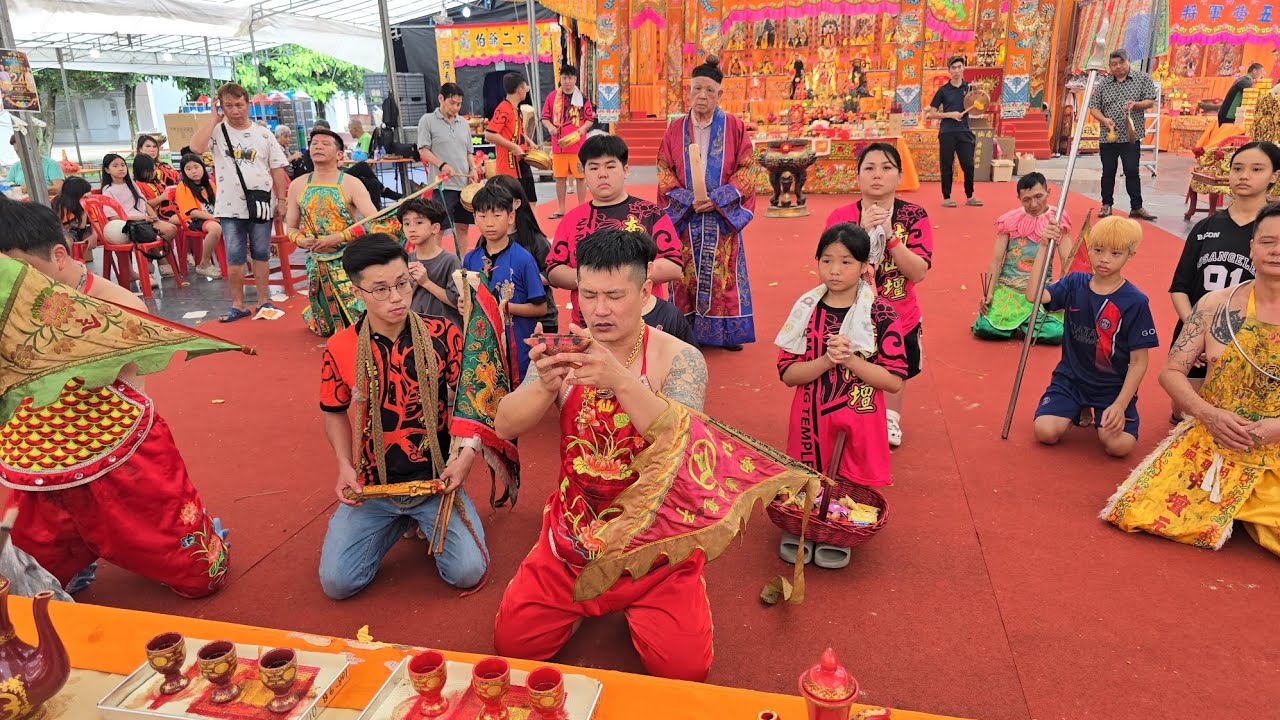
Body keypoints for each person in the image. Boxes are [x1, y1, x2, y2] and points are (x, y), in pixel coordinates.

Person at [492, 227, 712, 681]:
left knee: (685, 669)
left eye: (614, 295)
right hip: (575, 535)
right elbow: (504, 423)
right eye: (587, 295)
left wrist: (621, 380)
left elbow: (686, 444)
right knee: (513, 646)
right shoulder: (564, 350)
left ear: (645, 291)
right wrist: (545, 386)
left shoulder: (680, 358)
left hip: (656, 543)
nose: (599, 310)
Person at [0, 197, 231, 598]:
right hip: (37, 460)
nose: (12, 287)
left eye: (18, 273)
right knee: (20, 590)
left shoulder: (119, 306)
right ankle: (77, 551)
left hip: (116, 452)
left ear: (58, 256)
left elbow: (127, 388)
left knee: (200, 577)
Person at [1102, 204, 1280, 556]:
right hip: (1215, 436)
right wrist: (1208, 415)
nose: (1276, 251)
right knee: (1144, 513)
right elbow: (1170, 372)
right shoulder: (1215, 305)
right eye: (1268, 241)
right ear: (1252, 248)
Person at [317, 234, 488, 598]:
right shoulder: (340, 347)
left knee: (469, 572)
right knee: (338, 584)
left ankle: (420, 516)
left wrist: (466, 456)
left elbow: (472, 401)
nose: (396, 297)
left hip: (436, 480)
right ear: (357, 291)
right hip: (373, 485)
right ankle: (399, 521)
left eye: (402, 284)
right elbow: (333, 412)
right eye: (380, 289)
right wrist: (344, 465)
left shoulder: (442, 333)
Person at [778, 222, 907, 488]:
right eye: (826, 260)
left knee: (852, 497)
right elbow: (788, 374)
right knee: (806, 489)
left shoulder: (881, 313)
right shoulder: (806, 311)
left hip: (862, 418)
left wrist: (849, 359)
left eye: (846, 262)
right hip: (811, 420)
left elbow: (894, 381)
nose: (834, 270)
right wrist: (827, 360)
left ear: (864, 266)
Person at [825, 143, 933, 448]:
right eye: (869, 168)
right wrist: (858, 232)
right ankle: (846, 410)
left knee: (897, 365)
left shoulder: (914, 215)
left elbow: (919, 272)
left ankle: (890, 418)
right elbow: (832, 269)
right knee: (849, 360)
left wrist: (893, 237)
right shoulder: (840, 216)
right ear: (858, 176)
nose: (877, 175)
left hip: (899, 312)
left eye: (886, 168)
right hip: (849, 309)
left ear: (900, 175)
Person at [1025, 216, 1159, 458]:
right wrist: (1044, 247)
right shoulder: (1075, 282)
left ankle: (1102, 409)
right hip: (1071, 379)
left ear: (1131, 255)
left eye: (1116, 253)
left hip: (1111, 387)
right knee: (1045, 432)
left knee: (1119, 447)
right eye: (1098, 250)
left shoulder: (1136, 301)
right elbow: (1034, 296)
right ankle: (1078, 406)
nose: (1104, 259)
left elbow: (1139, 362)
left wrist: (1119, 405)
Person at [1168, 141, 1280, 419]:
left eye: (1256, 169)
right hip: (1199, 333)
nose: (1244, 176)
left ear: (1274, 176)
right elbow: (1180, 287)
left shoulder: (1274, 230)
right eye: (1238, 168)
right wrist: (1198, 331)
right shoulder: (1206, 227)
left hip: (1255, 339)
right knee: (1186, 414)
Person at [657, 55, 757, 350]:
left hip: (720, 216)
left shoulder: (735, 128)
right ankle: (686, 332)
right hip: (686, 216)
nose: (702, 96)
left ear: (719, 94)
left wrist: (718, 199)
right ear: (688, 92)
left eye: (709, 90)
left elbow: (747, 169)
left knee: (721, 275)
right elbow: (663, 168)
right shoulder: (675, 129)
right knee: (684, 273)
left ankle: (724, 333)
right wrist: (688, 199)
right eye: (697, 89)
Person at [549, 135, 683, 331]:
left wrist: (624, 277)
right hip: (590, 325)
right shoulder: (572, 219)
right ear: (583, 173)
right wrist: (590, 280)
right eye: (593, 168)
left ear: (625, 170)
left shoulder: (650, 214)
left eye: (610, 166)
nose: (602, 174)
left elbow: (674, 265)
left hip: (645, 323)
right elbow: (554, 270)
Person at [190, 82, 291, 323]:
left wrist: (283, 199)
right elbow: (195, 147)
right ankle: (237, 304)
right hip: (229, 205)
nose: (235, 110)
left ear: (247, 104)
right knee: (234, 255)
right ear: (221, 106)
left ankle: (263, 300)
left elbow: (277, 168)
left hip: (262, 202)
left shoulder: (264, 134)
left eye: (239, 104)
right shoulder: (217, 131)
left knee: (261, 253)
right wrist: (213, 119)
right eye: (228, 106)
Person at [285, 128, 381, 337]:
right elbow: (290, 227)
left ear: (339, 155)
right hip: (316, 263)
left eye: (325, 143)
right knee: (324, 328)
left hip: (348, 259)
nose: (318, 146)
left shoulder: (351, 183)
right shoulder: (297, 185)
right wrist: (302, 240)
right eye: (314, 143)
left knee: (362, 324)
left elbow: (373, 221)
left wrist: (339, 237)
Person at [973, 172, 1074, 344]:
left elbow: (1068, 262)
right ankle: (1020, 325)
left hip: (1040, 292)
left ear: (1048, 192)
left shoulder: (1057, 221)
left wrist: (1065, 298)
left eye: (1038, 196)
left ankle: (1020, 325)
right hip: (1008, 289)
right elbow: (996, 261)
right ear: (1018, 197)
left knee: (1055, 333)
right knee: (985, 328)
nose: (1033, 204)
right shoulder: (1010, 220)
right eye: (1026, 199)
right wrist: (988, 294)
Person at [462, 184, 547, 377]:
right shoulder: (470, 259)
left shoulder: (523, 259)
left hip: (517, 347)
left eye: (497, 215)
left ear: (511, 217)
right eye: (482, 216)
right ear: (474, 218)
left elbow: (540, 308)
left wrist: (500, 306)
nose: (489, 223)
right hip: (483, 347)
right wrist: (465, 305)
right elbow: (469, 301)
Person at [1089, 49, 1158, 221]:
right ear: (1110, 66)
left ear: (1128, 61)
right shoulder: (1104, 84)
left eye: (1121, 62)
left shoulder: (1142, 79)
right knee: (1108, 172)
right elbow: (1094, 108)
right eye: (1114, 64)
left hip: (1130, 136)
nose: (1118, 67)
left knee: (1132, 171)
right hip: (1108, 136)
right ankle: (1106, 205)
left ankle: (1136, 207)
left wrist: (1135, 104)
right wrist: (1104, 120)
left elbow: (1150, 101)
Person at [488, 174, 558, 333]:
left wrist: (523, 278)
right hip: (500, 320)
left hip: (539, 321)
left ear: (517, 203)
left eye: (503, 201)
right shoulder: (484, 241)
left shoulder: (535, 240)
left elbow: (552, 272)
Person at [418, 83, 482, 249]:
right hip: (443, 185)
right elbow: (423, 150)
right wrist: (442, 165)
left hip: (464, 185)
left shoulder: (463, 123)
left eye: (459, 104)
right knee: (439, 228)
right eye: (452, 103)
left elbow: (469, 152)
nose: (456, 108)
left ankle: (462, 263)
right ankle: (438, 262)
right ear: (441, 98)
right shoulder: (428, 121)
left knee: (463, 226)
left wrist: (473, 168)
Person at [926, 56, 982, 208]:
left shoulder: (970, 88)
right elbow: (931, 113)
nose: (956, 71)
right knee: (947, 165)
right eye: (953, 68)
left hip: (964, 131)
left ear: (963, 68)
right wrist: (949, 115)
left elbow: (981, 105)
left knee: (968, 165)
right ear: (949, 70)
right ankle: (947, 197)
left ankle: (970, 196)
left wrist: (979, 92)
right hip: (947, 132)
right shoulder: (943, 91)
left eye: (959, 67)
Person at [398, 196, 462, 328]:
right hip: (414, 329)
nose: (411, 229)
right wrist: (411, 282)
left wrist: (426, 282)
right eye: (407, 224)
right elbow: (399, 299)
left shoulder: (449, 261)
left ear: (435, 228)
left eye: (419, 223)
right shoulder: (404, 261)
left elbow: (457, 301)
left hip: (445, 330)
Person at [542, 65, 596, 218]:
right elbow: (545, 117)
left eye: (570, 78)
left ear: (575, 79)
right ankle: (561, 208)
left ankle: (581, 207)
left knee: (580, 177)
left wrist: (582, 129)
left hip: (578, 147)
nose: (567, 81)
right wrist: (550, 127)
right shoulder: (552, 97)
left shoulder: (583, 99)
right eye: (564, 78)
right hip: (559, 146)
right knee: (560, 179)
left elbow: (589, 120)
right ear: (560, 79)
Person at [100, 153, 178, 244]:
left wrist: (155, 218)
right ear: (107, 170)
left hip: (145, 221)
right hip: (129, 225)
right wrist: (140, 218)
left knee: (172, 229)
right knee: (156, 236)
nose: (121, 168)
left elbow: (144, 203)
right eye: (115, 166)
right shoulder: (108, 190)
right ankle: (157, 256)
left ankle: (156, 255)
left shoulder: (131, 184)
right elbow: (113, 217)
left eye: (123, 165)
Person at [174, 153, 224, 279]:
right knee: (215, 228)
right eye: (188, 169)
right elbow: (192, 212)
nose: (193, 171)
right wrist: (214, 218)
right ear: (183, 172)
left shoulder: (209, 183)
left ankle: (244, 257)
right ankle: (204, 264)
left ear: (202, 167)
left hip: (213, 216)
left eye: (196, 167)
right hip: (195, 220)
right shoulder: (183, 186)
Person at [485, 73, 530, 180]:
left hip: (521, 163)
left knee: (527, 197)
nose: (526, 91)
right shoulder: (503, 109)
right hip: (508, 168)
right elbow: (489, 135)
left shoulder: (515, 108)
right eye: (525, 87)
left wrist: (530, 142)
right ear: (520, 89)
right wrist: (513, 146)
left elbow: (518, 132)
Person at [51, 176, 97, 253]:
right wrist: (84, 204)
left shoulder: (86, 201)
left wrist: (94, 235)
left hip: (82, 230)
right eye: (86, 192)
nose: (89, 194)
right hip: (65, 231)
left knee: (106, 234)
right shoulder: (60, 204)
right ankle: (69, 262)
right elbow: (81, 224)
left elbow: (95, 221)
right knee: (67, 241)